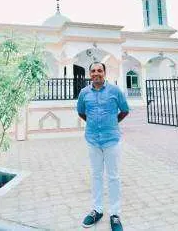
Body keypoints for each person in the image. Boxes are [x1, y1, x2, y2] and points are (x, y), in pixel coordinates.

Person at [77, 62, 129, 231]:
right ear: (89, 74)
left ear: (105, 73)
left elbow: (124, 110)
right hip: (92, 140)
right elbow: (81, 112)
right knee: (96, 175)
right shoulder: (84, 93)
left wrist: (112, 123)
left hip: (111, 140)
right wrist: (93, 124)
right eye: (93, 71)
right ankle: (97, 210)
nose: (96, 73)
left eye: (99, 70)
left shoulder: (115, 91)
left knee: (113, 177)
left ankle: (115, 214)